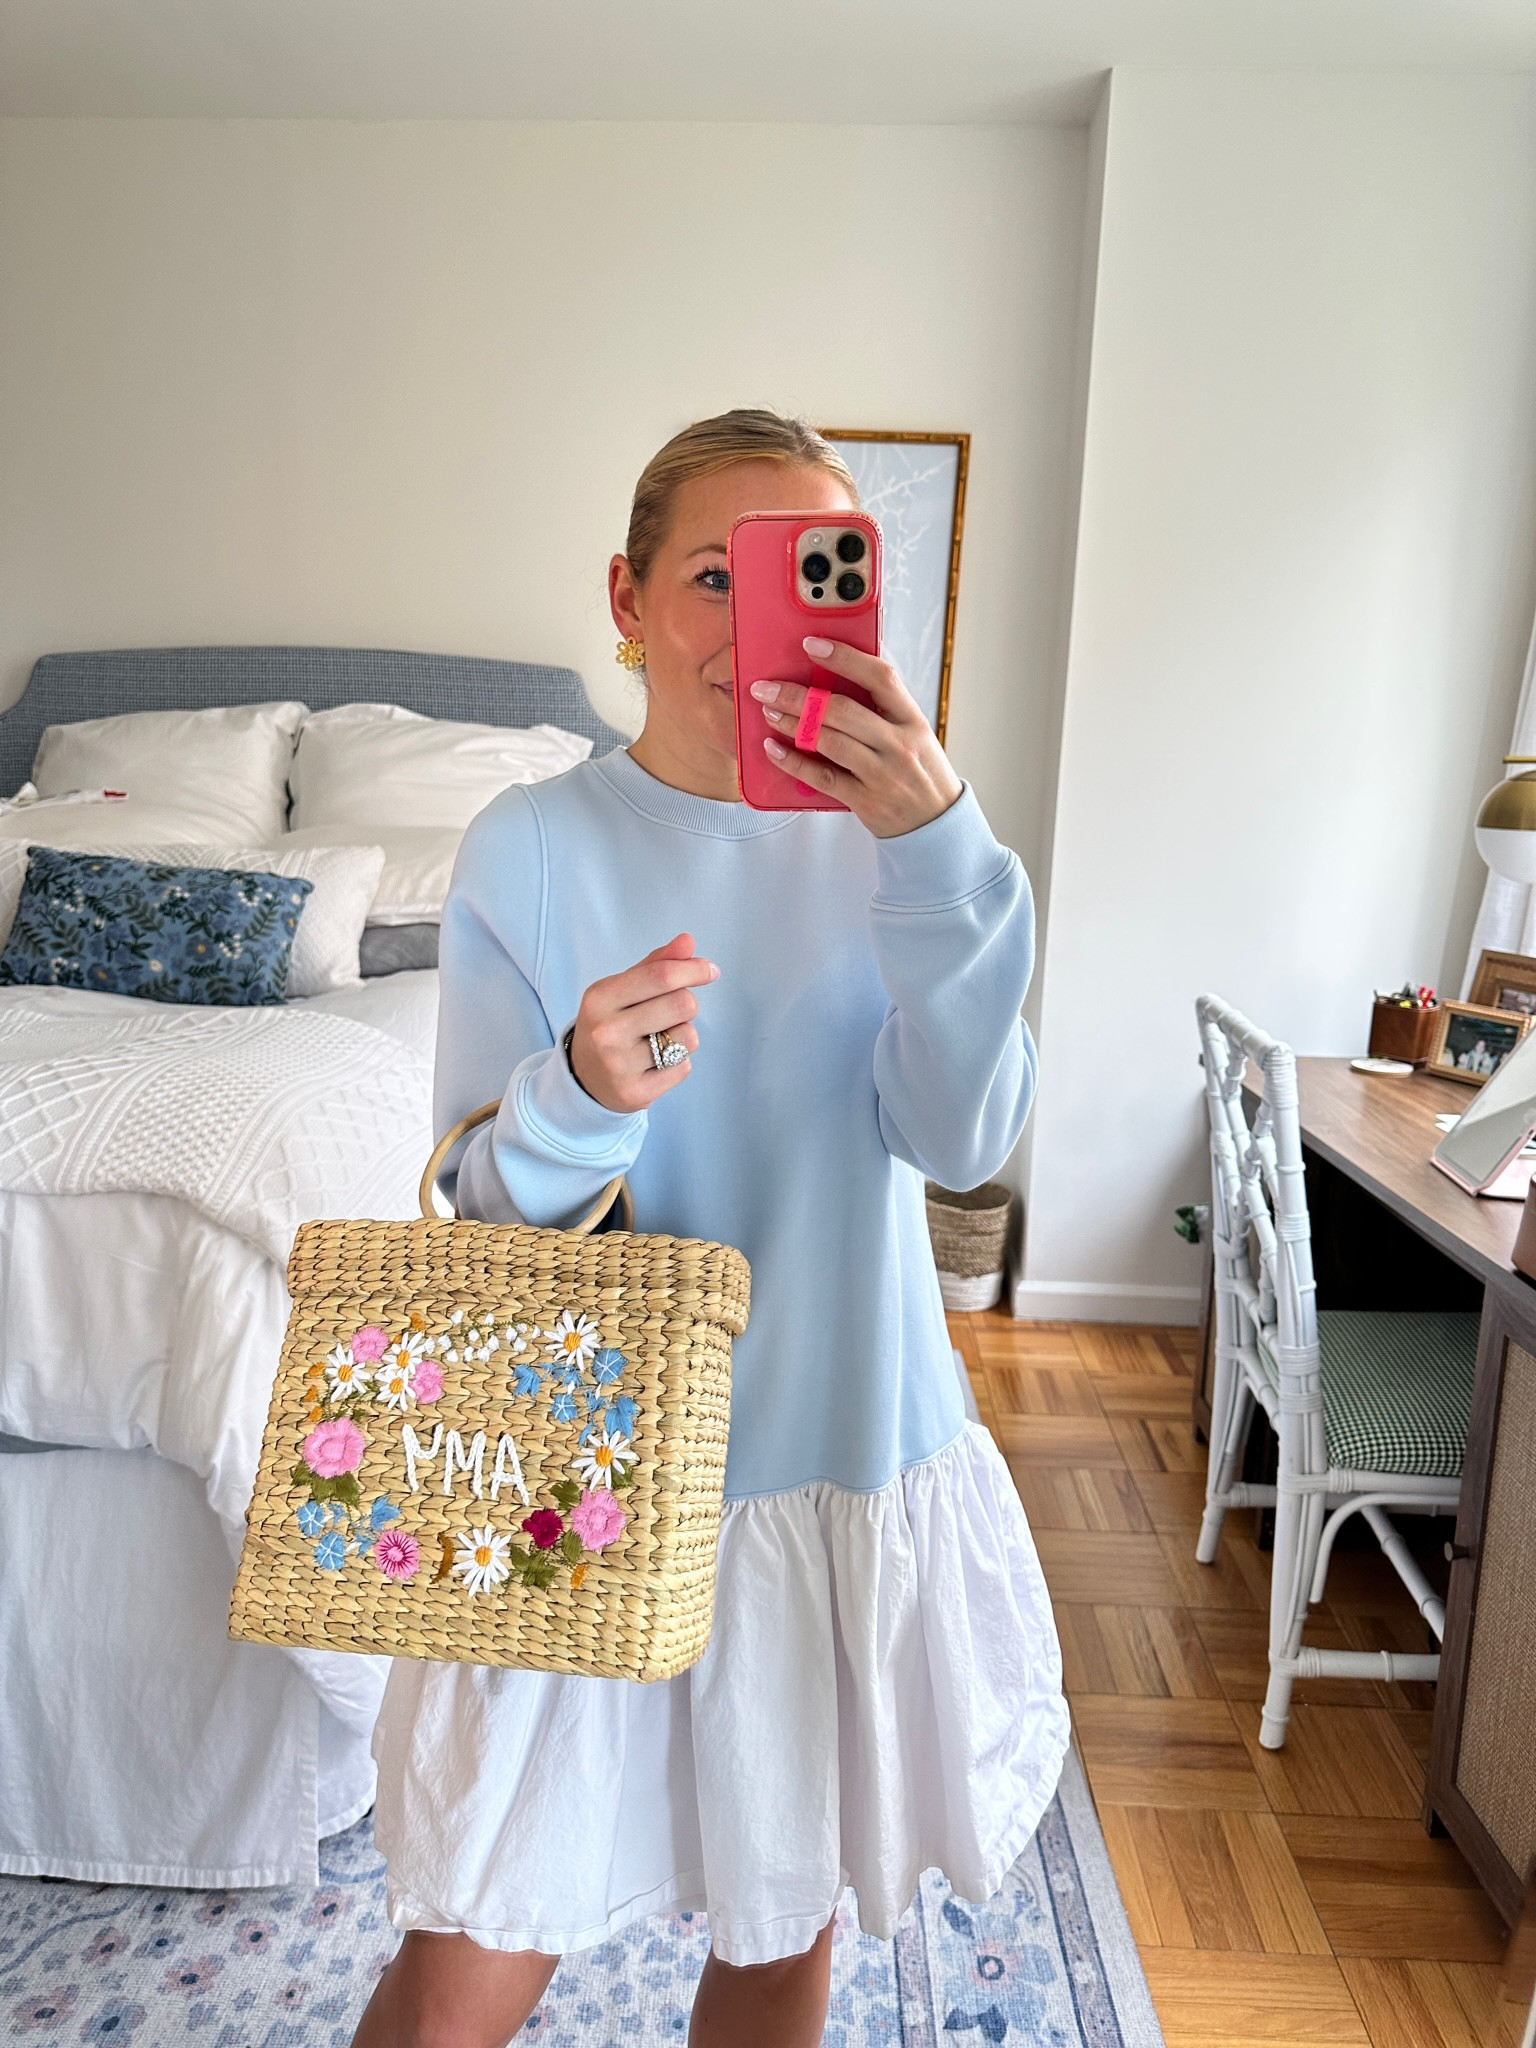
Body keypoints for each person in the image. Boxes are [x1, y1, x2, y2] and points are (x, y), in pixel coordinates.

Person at [354, 409, 1068, 2048]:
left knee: (775, 1926)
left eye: (809, 579)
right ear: (626, 597)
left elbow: (964, 1138)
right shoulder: (530, 846)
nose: (757, 631)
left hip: (829, 1460)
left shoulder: (901, 847)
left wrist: (945, 850)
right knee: (474, 1940)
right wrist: (584, 1092)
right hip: (583, 1474)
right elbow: (478, 1211)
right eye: (708, 578)